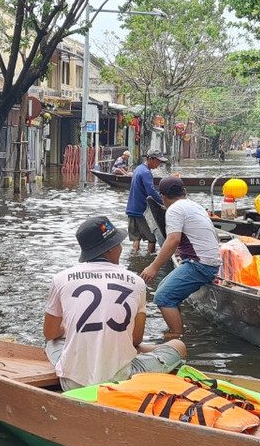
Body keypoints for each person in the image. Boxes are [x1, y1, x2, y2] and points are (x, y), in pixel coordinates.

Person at [44, 216, 187, 390]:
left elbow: (50, 333)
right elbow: (136, 339)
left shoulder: (60, 279)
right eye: (118, 243)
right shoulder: (136, 282)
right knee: (178, 345)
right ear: (112, 248)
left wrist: (67, 330)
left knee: (52, 343)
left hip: (72, 382)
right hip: (122, 381)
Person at [140, 176, 222, 335]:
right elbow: (215, 235)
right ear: (184, 191)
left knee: (163, 297)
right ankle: (176, 328)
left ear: (163, 197)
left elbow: (173, 240)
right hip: (206, 262)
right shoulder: (195, 206)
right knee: (163, 289)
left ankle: (176, 336)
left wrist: (153, 267)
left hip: (200, 265)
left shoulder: (174, 209)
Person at [125, 151, 169, 254]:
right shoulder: (146, 172)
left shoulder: (139, 169)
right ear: (150, 159)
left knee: (136, 238)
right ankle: (150, 258)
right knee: (152, 238)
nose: (159, 164)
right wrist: (163, 202)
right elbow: (151, 192)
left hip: (132, 208)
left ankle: (134, 259)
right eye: (158, 161)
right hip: (142, 210)